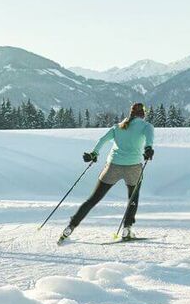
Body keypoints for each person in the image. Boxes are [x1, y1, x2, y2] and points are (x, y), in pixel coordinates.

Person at [59, 102, 155, 243]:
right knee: (132, 199)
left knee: (93, 199)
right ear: (143, 113)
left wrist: (93, 154)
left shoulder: (118, 126)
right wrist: (148, 150)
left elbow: (102, 140)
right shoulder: (147, 127)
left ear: (131, 113)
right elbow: (149, 142)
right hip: (133, 167)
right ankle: (127, 229)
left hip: (112, 166)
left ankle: (70, 227)